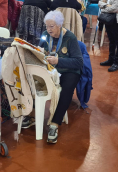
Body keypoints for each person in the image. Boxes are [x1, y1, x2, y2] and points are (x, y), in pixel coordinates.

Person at [34, 10, 83, 143]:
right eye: (47, 26)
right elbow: (39, 51)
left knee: (66, 90)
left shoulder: (70, 38)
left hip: (69, 71)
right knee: (33, 82)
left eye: (52, 26)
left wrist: (58, 61)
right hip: (51, 70)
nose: (48, 30)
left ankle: (54, 124)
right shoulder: (45, 35)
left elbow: (79, 62)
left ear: (60, 25)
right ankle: (31, 114)